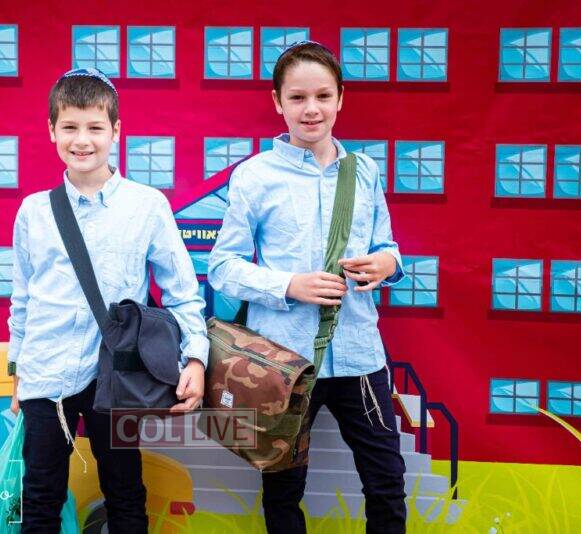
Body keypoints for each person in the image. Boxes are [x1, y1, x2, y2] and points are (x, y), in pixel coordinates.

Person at [207, 42, 407, 534]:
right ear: (278, 102)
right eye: (297, 97)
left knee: (387, 481)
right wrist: (289, 285)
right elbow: (223, 268)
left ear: (341, 98)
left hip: (360, 355)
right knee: (282, 489)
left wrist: (385, 263)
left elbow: (387, 246)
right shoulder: (254, 175)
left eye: (322, 96)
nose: (311, 109)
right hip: (285, 361)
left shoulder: (365, 171)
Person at [7, 67, 208, 534]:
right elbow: (23, 299)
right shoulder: (34, 211)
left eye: (95, 127)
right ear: (51, 130)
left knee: (125, 493)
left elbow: (182, 292)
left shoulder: (147, 205)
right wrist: (18, 371)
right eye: (70, 127)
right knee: (39, 499)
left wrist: (196, 358)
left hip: (117, 377)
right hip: (46, 375)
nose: (82, 140)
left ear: (116, 131)